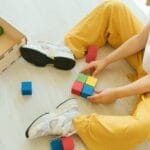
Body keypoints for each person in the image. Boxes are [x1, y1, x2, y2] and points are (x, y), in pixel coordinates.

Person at [25, 0, 150, 150]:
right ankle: (66, 49)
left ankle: (73, 122)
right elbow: (139, 40)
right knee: (114, 9)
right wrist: (106, 60)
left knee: (141, 128)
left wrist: (117, 93)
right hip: (145, 62)